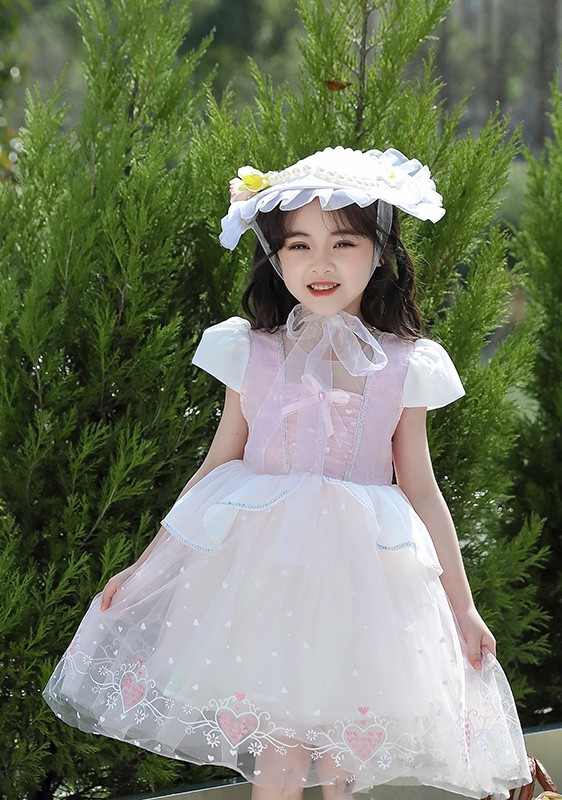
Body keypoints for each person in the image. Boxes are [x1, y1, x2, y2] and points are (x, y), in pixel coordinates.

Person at [44, 147, 530, 800]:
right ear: (275, 258)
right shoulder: (252, 351)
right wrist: (145, 565)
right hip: (264, 577)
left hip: (362, 583)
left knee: (341, 761)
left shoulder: (403, 364)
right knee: (280, 751)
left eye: (343, 243)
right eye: (298, 246)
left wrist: (462, 607)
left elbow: (420, 486)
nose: (320, 265)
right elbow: (218, 464)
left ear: (380, 253)